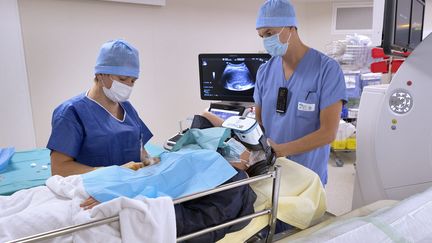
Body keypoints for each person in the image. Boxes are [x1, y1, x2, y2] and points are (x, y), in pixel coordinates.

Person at [254, 0, 347, 186]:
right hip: (272, 173)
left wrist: (282, 150)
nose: (266, 41)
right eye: (262, 36)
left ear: (291, 27)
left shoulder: (327, 70)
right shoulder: (264, 72)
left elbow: (328, 133)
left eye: (270, 33)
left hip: (308, 175)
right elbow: (260, 123)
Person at [47, 39, 158, 177]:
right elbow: (59, 169)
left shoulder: (128, 109)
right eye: (123, 79)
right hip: (93, 192)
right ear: (101, 74)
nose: (128, 86)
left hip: (131, 187)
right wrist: (112, 172)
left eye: (133, 81)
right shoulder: (71, 112)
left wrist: (151, 162)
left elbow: (139, 149)